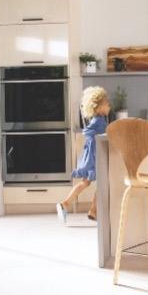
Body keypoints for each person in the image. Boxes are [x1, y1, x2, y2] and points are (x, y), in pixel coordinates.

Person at [57, 86, 110, 222]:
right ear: (98, 107)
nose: (109, 106)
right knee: (102, 184)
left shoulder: (97, 120)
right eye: (106, 104)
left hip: (92, 156)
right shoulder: (99, 121)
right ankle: (91, 210)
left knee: (86, 183)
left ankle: (67, 204)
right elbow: (96, 134)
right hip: (96, 158)